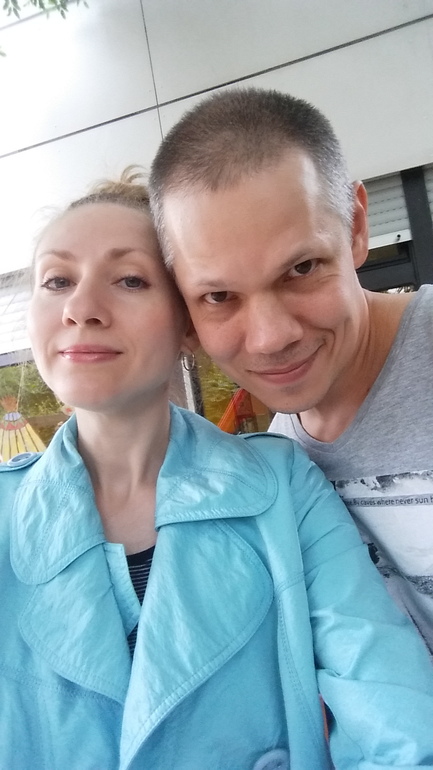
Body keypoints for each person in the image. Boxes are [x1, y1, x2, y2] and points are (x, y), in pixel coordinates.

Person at [1, 173, 433, 770]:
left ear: (188, 323)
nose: (81, 309)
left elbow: (396, 724)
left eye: (129, 279)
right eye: (57, 281)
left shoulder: (283, 486)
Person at [149, 86, 433, 656]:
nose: (271, 337)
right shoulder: (279, 472)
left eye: (301, 268)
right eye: (219, 296)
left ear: (356, 227)